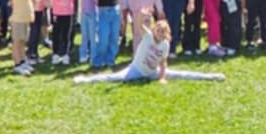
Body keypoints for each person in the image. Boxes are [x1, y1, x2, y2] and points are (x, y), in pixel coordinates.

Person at [73, 16, 225, 84]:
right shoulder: (148, 36)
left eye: (163, 31)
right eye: (158, 30)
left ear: (166, 33)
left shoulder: (165, 44)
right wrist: (142, 15)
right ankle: (84, 80)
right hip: (135, 70)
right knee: (112, 78)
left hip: (152, 72)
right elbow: (139, 24)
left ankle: (212, 76)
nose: (160, 33)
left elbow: (163, 63)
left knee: (182, 74)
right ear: (154, 29)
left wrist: (162, 77)